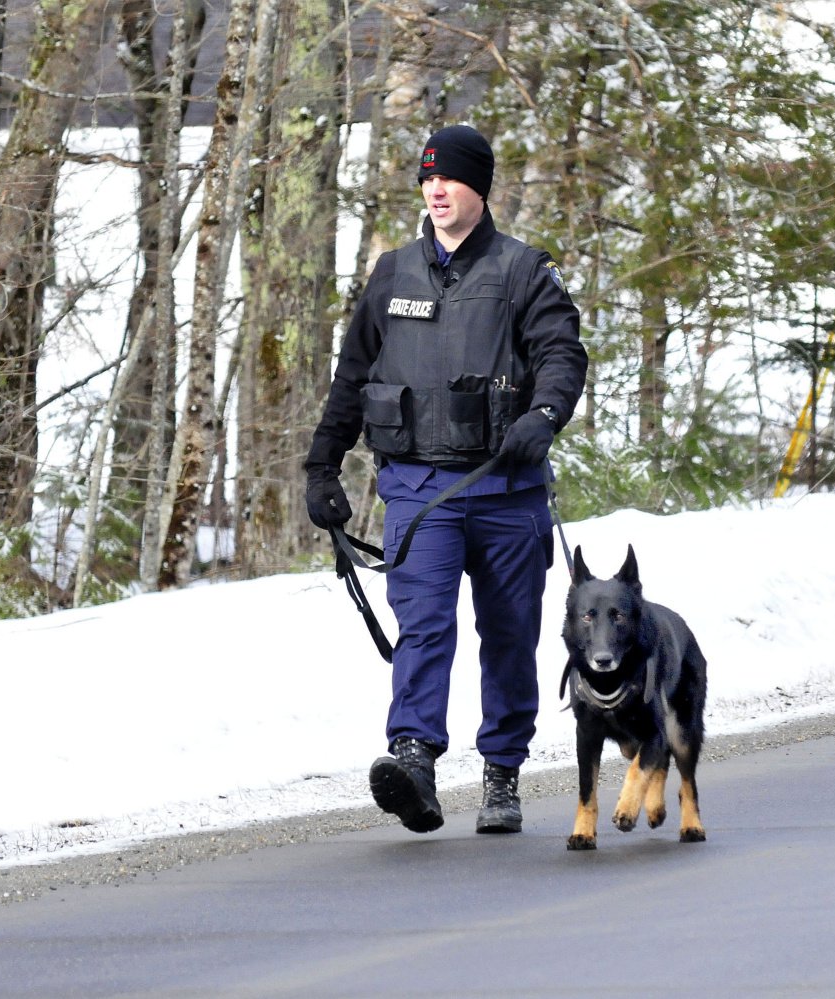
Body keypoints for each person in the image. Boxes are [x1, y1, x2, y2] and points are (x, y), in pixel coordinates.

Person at [305, 124, 588, 835]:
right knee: (424, 625)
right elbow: (353, 377)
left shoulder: (525, 271)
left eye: (450, 179)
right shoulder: (392, 273)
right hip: (419, 489)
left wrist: (544, 415)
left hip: (506, 492)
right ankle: (414, 760)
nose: (435, 190)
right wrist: (321, 463)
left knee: (509, 634)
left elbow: (562, 352)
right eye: (427, 178)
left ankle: (502, 773)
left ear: (478, 187)